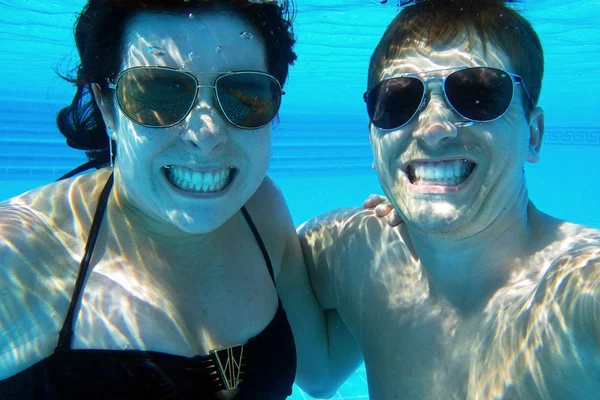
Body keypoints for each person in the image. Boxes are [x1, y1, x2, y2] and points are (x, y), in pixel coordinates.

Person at [0, 0, 362, 398]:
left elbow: (320, 371)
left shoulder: (260, 210)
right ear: (107, 108)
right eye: (159, 94)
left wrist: (396, 251)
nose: (206, 134)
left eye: (243, 95)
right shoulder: (19, 253)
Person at [299, 0, 600, 398]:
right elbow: (316, 376)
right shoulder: (350, 253)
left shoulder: (581, 289)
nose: (434, 129)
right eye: (398, 101)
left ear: (534, 133)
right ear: (373, 140)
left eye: (477, 94)